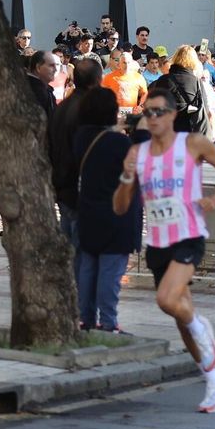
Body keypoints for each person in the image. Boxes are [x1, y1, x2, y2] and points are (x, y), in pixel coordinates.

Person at [114, 86, 215, 412]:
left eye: (159, 112)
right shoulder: (137, 154)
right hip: (157, 241)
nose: (153, 118)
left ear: (172, 115)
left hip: (189, 235)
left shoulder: (192, 143)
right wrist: (127, 178)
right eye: (148, 112)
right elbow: (120, 207)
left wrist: (214, 198)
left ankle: (203, 330)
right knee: (179, 318)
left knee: (166, 300)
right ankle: (214, 380)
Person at [75, 90, 142, 331]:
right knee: (110, 272)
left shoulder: (81, 136)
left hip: (88, 211)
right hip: (116, 214)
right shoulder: (120, 143)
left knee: (88, 267)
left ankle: (86, 318)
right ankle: (108, 321)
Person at [51, 56, 105, 237]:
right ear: (98, 80)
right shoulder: (89, 109)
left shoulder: (63, 106)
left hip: (63, 185)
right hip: (79, 188)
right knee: (80, 250)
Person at [102, 46, 147, 117]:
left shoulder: (139, 77)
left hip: (132, 115)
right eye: (124, 63)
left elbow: (145, 93)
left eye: (128, 62)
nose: (127, 65)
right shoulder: (108, 77)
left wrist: (141, 106)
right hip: (114, 115)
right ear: (119, 64)